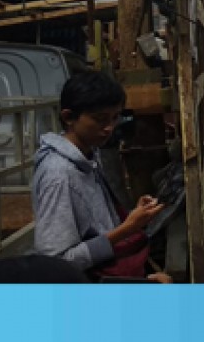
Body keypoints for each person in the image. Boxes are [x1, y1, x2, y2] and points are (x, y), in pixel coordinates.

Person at [31, 70, 170, 283]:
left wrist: (134, 215)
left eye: (115, 118)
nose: (109, 128)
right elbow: (55, 264)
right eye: (100, 119)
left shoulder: (89, 153)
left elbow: (96, 223)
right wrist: (127, 229)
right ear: (69, 117)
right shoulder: (59, 174)